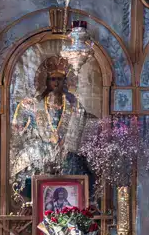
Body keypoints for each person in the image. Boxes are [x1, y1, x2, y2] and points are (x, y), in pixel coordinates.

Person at [10, 55, 93, 203]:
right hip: (40, 149)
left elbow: (79, 127)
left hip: (66, 150)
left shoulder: (74, 105)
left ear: (65, 81)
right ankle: (32, 204)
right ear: (46, 81)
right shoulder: (34, 104)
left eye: (60, 79)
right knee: (27, 170)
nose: (56, 82)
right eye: (52, 79)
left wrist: (66, 144)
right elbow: (18, 128)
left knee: (80, 171)